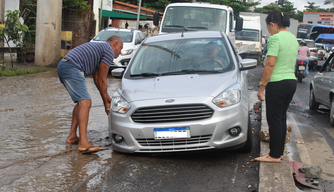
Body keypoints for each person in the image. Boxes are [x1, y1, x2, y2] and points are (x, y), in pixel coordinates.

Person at [57, 36, 123, 154]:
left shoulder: (101, 49)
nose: (120, 52)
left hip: (64, 65)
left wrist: (107, 99)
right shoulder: (108, 50)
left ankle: (72, 136)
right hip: (72, 67)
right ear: (115, 44)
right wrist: (105, 104)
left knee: (81, 103)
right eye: (120, 48)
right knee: (85, 102)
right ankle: (83, 143)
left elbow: (97, 80)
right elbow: (102, 81)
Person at [255, 11, 299, 163]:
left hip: (277, 83)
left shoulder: (275, 38)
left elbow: (270, 63)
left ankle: (274, 155)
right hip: (291, 82)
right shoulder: (293, 38)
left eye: (268, 27)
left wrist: (262, 87)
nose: (269, 31)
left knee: (274, 120)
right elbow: (293, 63)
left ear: (272, 24)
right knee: (280, 118)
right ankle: (277, 153)